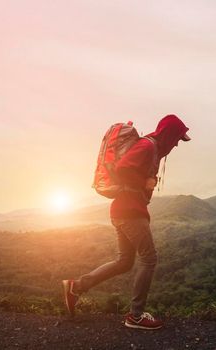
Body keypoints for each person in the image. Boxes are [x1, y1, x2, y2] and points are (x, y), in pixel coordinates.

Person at [62, 114, 190, 330]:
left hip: (124, 210)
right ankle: (136, 316)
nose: (177, 143)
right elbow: (122, 168)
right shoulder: (148, 146)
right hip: (130, 211)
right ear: (168, 134)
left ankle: (76, 287)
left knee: (125, 262)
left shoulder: (152, 149)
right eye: (177, 138)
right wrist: (145, 182)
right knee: (149, 259)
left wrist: (145, 185)